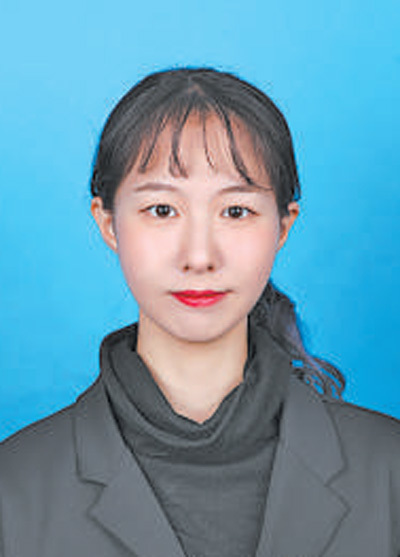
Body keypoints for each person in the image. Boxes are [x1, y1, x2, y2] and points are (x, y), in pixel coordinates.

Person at [0, 68, 399, 557]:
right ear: (107, 223)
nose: (199, 256)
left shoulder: (389, 470)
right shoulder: (14, 488)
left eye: (236, 211)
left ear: (283, 225)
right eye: (162, 210)